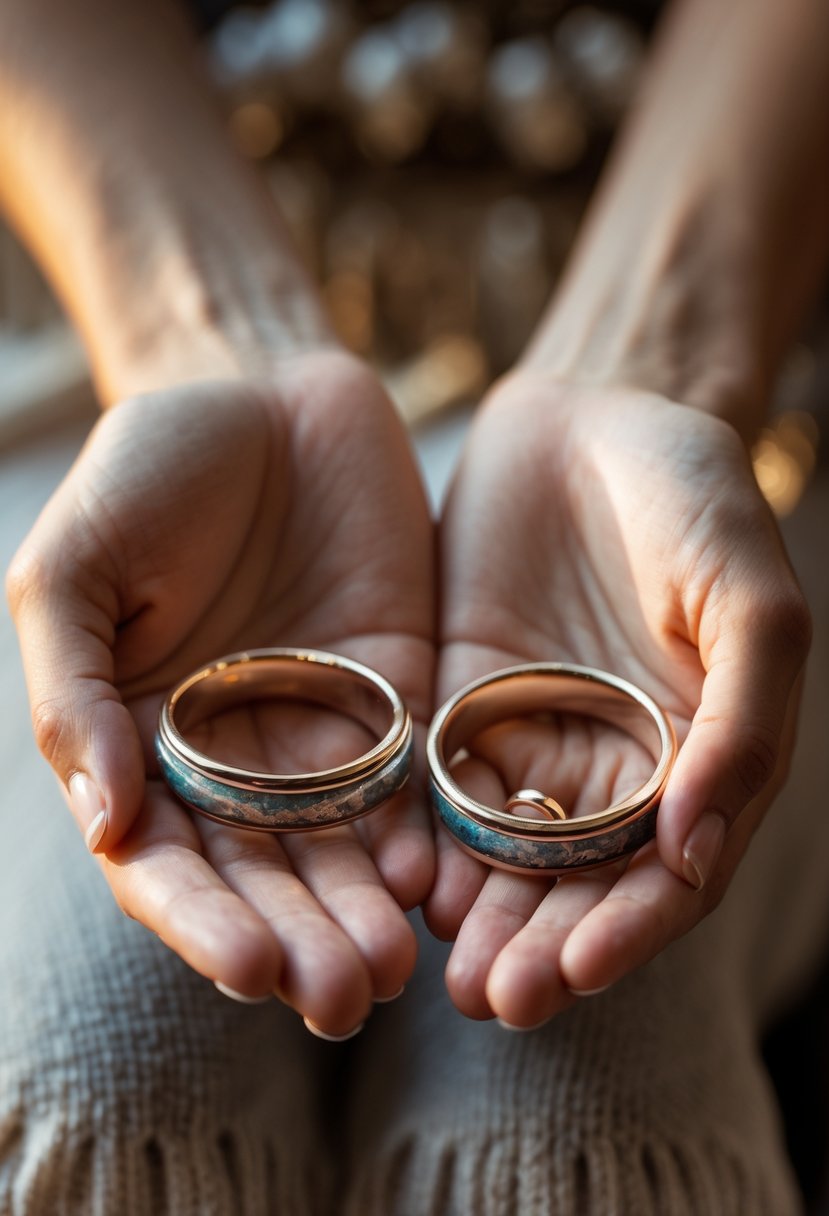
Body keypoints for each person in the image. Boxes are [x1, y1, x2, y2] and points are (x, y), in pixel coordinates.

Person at [1, 0, 828, 1211]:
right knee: (105, 1057)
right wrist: (201, 340)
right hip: (98, 326)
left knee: (568, 1125)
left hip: (743, 365)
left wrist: (658, 359)